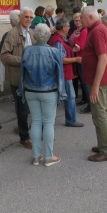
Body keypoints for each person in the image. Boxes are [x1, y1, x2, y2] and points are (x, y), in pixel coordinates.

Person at [19, 24, 65, 166]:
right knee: (48, 123)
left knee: (36, 121)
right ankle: (48, 157)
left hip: (30, 90)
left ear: (34, 36)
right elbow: (60, 75)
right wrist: (61, 92)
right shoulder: (54, 52)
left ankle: (36, 156)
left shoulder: (27, 51)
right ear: (48, 36)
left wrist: (22, 91)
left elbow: (22, 74)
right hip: (48, 91)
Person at [81, 6, 107, 162]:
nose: (80, 21)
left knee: (99, 115)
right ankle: (106, 145)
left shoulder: (97, 31)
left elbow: (103, 59)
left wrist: (95, 85)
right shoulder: (99, 29)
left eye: (82, 18)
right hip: (100, 80)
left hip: (99, 82)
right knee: (104, 113)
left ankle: (106, 150)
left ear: (89, 17)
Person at [0, 7, 36, 148]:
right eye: (26, 17)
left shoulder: (31, 33)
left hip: (31, 75)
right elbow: (4, 55)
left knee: (32, 106)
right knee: (21, 108)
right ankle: (24, 137)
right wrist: (22, 60)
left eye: (30, 18)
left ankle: (31, 131)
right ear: (20, 17)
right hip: (18, 77)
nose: (28, 20)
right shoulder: (12, 34)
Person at [49, 19, 84, 127]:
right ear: (63, 28)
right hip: (63, 73)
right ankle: (70, 120)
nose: (69, 28)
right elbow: (61, 59)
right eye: (68, 26)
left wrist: (72, 49)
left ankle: (67, 119)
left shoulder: (59, 39)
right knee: (69, 96)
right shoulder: (58, 40)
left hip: (64, 73)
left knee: (66, 96)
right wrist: (76, 59)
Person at [69, 12, 91, 114]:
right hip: (78, 57)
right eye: (75, 20)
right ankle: (86, 100)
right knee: (82, 82)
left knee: (85, 82)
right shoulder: (77, 30)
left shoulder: (84, 31)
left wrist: (76, 38)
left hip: (81, 58)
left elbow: (80, 46)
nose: (77, 22)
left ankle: (90, 105)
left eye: (79, 20)